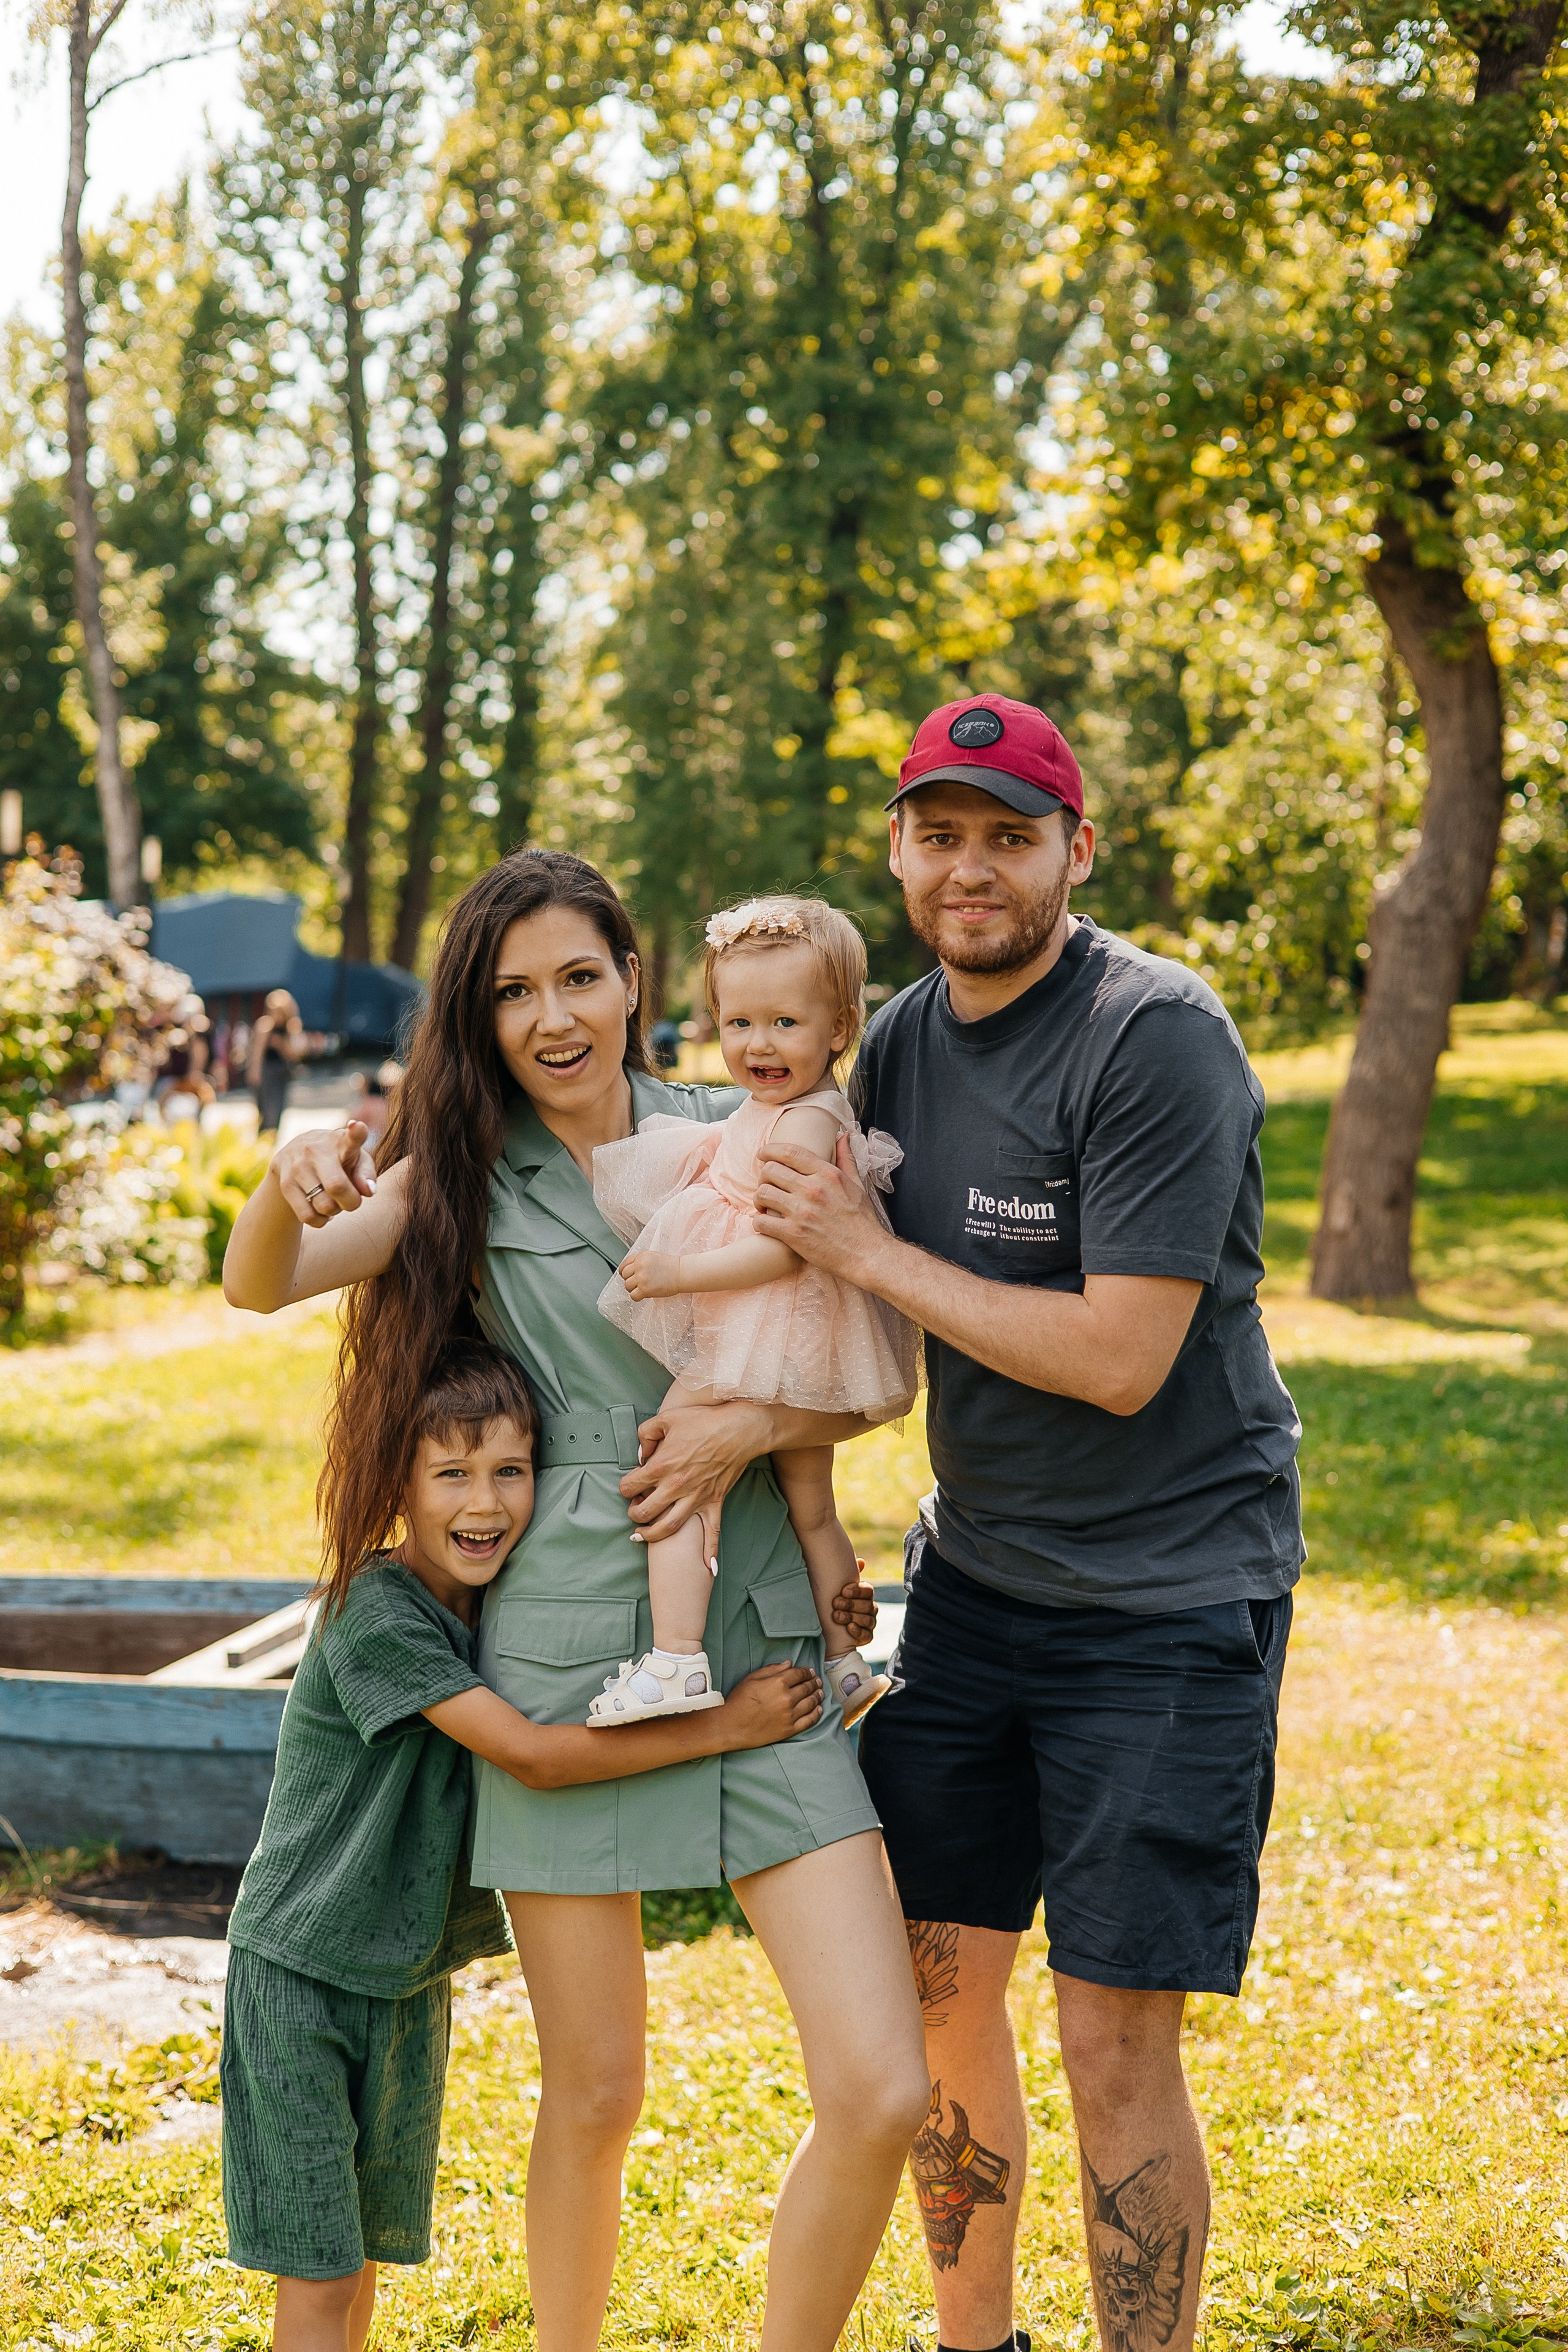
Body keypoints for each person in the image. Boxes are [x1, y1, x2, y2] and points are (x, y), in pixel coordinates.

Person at [222, 846, 932, 2352]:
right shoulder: (458, 1173)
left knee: (880, 2086)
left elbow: (868, 1362)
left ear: (632, 980)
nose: (551, 1017)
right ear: (477, 1019)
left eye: (578, 978)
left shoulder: (737, 1125)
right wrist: (284, 1177)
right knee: (599, 2091)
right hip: (561, 1656)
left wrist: (756, 1430)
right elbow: (261, 1285)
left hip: (760, 1634)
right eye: (512, 993)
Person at [752, 692, 1303, 2352]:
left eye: (1009, 836)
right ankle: (971, 2341)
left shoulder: (1156, 1036)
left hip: (1167, 1605)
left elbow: (1121, 1358)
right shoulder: (900, 1042)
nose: (970, 869)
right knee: (936, 1990)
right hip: (977, 1584)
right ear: (898, 850)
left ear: (1078, 849)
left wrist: (872, 1253)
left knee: (1111, 2040)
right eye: (940, 835)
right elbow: (812, 1281)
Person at [222, 1335, 821, 2352]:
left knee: (359, 2264)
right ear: (399, 1485)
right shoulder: (376, 1613)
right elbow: (535, 1758)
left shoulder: (500, 1610)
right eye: (452, 1475)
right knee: (320, 2279)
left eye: (511, 1470)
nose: (486, 1502)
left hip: (404, 1979)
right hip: (301, 1974)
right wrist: (729, 1725)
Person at [589, 894, 919, 1728]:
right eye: (739, 1023)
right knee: (814, 1508)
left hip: (762, 1328)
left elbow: (785, 1250)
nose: (758, 1045)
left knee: (675, 1461)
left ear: (840, 1028)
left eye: (784, 1023)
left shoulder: (802, 1125)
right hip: (801, 1334)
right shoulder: (792, 1108)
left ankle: (675, 1658)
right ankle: (847, 1664)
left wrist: (679, 1271)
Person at [249, 988, 307, 1134]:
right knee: (266, 1110)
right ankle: (264, 1137)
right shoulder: (265, 1025)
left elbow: (295, 1054)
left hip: (282, 1072)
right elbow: (257, 1052)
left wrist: (280, 1045)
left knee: (277, 1109)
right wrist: (254, 1071)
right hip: (267, 1071)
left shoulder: (291, 1026)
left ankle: (271, 1136)